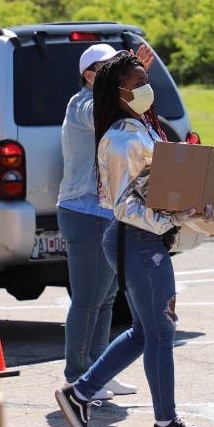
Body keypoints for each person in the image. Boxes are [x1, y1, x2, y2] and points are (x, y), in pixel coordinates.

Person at [54, 50, 214, 427]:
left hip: (141, 241)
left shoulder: (135, 128)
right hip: (138, 241)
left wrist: (189, 204)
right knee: (160, 331)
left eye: (147, 81)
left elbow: (152, 189)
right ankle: (164, 422)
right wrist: (174, 219)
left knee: (147, 331)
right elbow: (124, 205)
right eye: (137, 83)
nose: (146, 89)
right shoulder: (122, 138)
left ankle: (80, 394)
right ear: (118, 91)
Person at [58, 43, 140, 400]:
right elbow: (106, 113)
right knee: (87, 299)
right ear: (90, 76)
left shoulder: (104, 103)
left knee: (106, 298)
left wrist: (137, 80)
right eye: (108, 71)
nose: (115, 78)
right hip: (83, 211)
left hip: (106, 212)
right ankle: (78, 375)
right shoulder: (82, 105)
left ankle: (99, 369)